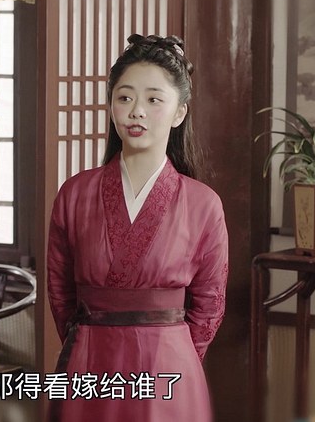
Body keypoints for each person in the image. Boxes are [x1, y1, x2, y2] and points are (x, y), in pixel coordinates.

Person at [47, 34, 229, 422]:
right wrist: (84, 346)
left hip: (169, 369)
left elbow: (209, 306)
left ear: (179, 112)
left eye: (153, 100)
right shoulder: (74, 194)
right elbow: (60, 293)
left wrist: (177, 356)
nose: (137, 112)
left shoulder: (204, 204)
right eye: (125, 98)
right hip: (90, 362)